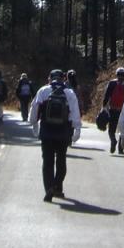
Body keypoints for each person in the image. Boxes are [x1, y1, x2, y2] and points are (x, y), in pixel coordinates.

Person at [28, 68, 82, 202]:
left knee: (47, 161)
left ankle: (49, 189)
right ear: (64, 79)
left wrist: (34, 124)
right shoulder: (69, 93)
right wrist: (77, 129)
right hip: (63, 131)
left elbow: (34, 109)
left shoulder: (43, 91)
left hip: (46, 131)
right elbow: (75, 112)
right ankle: (57, 186)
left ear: (49, 78)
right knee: (61, 160)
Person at [101, 67, 124, 154]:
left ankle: (113, 140)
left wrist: (104, 106)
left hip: (112, 109)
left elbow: (107, 96)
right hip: (123, 111)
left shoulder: (112, 83)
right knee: (123, 129)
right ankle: (120, 148)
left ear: (116, 74)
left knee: (111, 129)